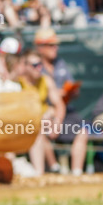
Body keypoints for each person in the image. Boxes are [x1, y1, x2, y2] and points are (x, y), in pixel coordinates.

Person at [34, 28, 89, 176]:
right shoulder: (35, 66)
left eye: (55, 45)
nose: (55, 48)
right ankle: (55, 169)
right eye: (51, 45)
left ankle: (76, 173)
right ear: (40, 47)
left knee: (83, 132)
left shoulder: (60, 64)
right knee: (38, 130)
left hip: (65, 110)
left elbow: (68, 88)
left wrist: (71, 92)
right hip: (45, 112)